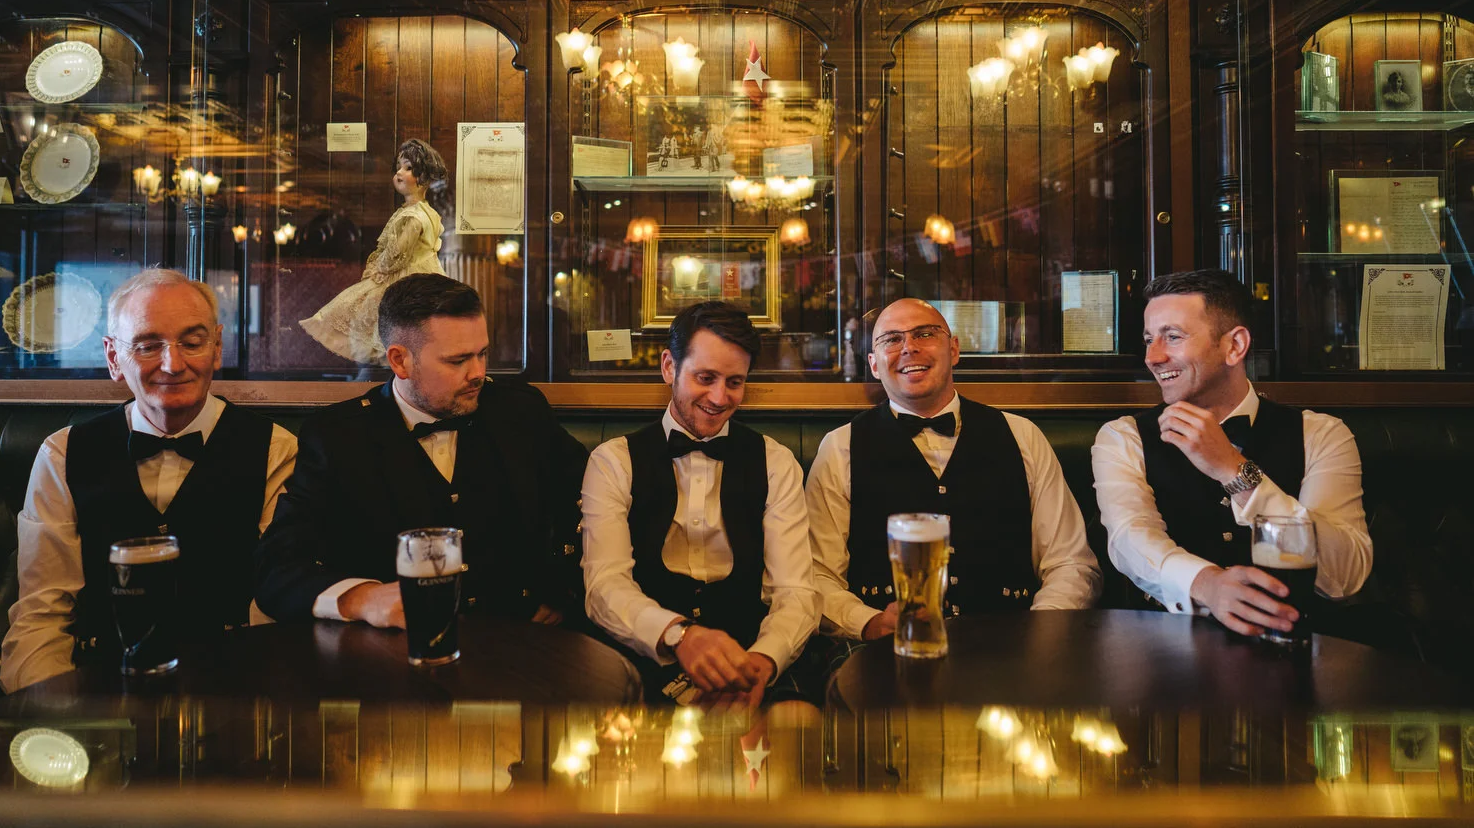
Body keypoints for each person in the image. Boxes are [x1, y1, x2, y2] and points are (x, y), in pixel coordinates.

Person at [0, 269, 296, 692]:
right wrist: (49, 709)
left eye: (192, 343)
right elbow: (41, 616)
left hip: (231, 690)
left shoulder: (276, 451)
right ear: (113, 357)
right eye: (147, 346)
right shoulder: (62, 454)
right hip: (96, 694)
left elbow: (275, 606)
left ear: (216, 348)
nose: (173, 365)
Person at [257, 274, 586, 630]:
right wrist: (362, 599)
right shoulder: (337, 438)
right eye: (458, 360)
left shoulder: (520, 412)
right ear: (400, 361)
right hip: (393, 652)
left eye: (482, 353)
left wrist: (561, 591)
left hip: (522, 640)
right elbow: (278, 568)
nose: (478, 373)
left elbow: (586, 502)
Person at [806, 298, 1101, 649]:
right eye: (892, 339)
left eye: (925, 334)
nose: (909, 347)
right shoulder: (840, 447)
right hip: (887, 658)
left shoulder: (1023, 436)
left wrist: (1039, 633)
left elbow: (1070, 564)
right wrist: (866, 621)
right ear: (874, 364)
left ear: (954, 349)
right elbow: (817, 574)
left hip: (1012, 655)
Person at [1092, 269, 1372, 637]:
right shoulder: (1123, 438)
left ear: (1235, 346)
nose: (1153, 357)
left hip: (1299, 648)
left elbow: (1345, 577)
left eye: (1172, 337)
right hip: (1164, 651)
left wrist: (1233, 470)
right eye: (1148, 339)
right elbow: (1130, 540)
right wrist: (1206, 584)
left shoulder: (1322, 434)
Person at [581, 301, 819, 706]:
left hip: (749, 652)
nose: (719, 397)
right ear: (669, 367)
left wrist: (763, 660)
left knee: (795, 726)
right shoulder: (613, 461)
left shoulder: (776, 462)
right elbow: (605, 586)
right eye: (705, 377)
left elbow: (795, 591)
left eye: (734, 382)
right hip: (643, 658)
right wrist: (677, 636)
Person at [300, 138, 448, 365]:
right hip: (423, 275)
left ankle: (394, 359)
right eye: (398, 167)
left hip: (406, 279)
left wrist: (380, 267)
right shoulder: (426, 212)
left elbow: (397, 253)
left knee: (374, 317)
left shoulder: (413, 216)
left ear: (424, 177)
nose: (399, 173)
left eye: (408, 168)